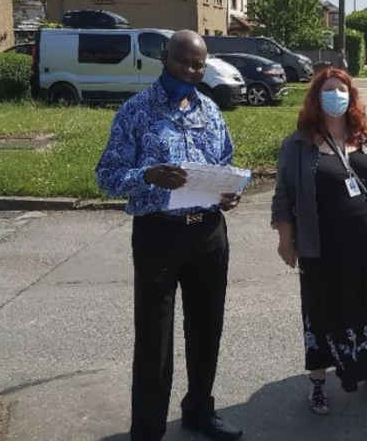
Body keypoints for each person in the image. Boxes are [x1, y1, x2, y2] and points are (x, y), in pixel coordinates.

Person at [96, 30, 243, 441]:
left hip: (209, 234)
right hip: (159, 236)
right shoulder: (136, 111)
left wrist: (227, 193)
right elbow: (107, 176)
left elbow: (225, 163)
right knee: (154, 338)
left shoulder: (211, 111)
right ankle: (147, 428)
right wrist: (148, 175)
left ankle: (199, 410)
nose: (192, 71)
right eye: (184, 62)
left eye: (199, 64)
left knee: (206, 328)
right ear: (165, 58)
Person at [271, 66, 367, 415]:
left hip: (365, 247)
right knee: (320, 314)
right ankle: (318, 384)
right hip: (320, 247)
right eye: (328, 90)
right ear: (316, 98)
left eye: (342, 89)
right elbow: (284, 194)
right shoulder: (299, 143)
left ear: (352, 96)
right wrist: (286, 239)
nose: (336, 96)